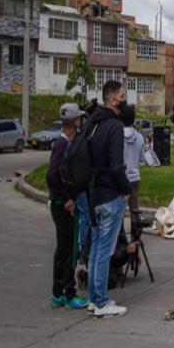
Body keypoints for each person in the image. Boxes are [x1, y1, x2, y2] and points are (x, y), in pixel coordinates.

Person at [86, 80, 133, 318]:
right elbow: (116, 166)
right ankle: (102, 302)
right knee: (105, 249)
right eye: (123, 96)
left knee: (96, 248)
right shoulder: (113, 125)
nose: (126, 101)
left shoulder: (94, 122)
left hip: (93, 193)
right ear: (114, 99)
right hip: (109, 194)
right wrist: (126, 190)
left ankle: (94, 298)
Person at [46, 103, 90, 310]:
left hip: (58, 203)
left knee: (62, 249)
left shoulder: (63, 143)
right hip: (62, 205)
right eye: (80, 118)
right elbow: (51, 175)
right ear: (75, 122)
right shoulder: (63, 145)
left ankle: (58, 293)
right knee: (69, 249)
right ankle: (69, 293)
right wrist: (66, 199)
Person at [121, 103, 144, 214]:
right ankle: (136, 229)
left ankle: (121, 231)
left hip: (121, 176)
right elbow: (141, 159)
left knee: (119, 210)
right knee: (134, 208)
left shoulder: (117, 136)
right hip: (134, 176)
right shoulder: (139, 137)